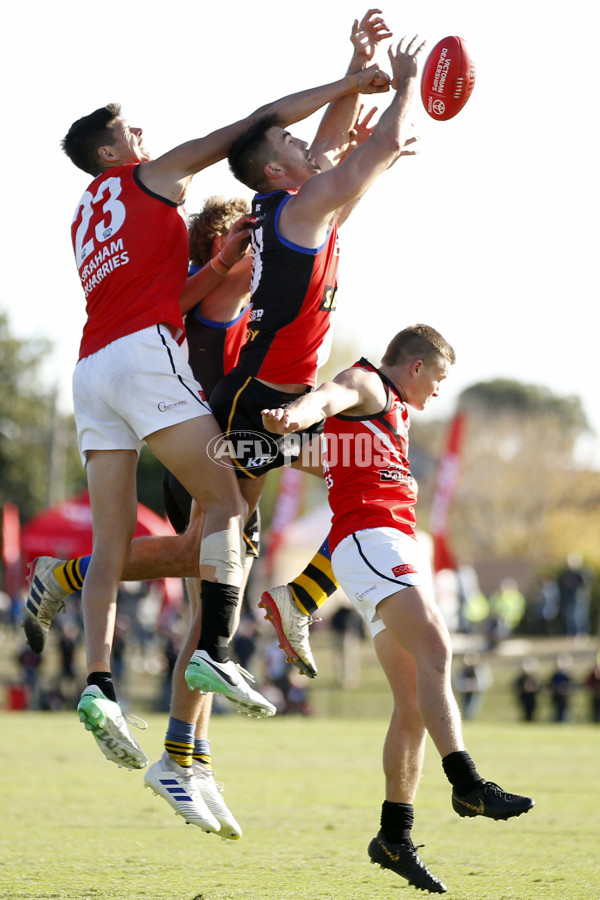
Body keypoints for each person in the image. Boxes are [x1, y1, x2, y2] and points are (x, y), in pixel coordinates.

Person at [25, 59, 390, 772]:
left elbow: (306, 179)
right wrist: (345, 85)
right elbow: (252, 127)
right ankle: (215, 673)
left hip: (90, 370)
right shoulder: (149, 177)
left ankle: (100, 685)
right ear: (110, 153)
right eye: (127, 127)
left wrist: (220, 265)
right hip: (159, 381)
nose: (141, 130)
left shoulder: (85, 213)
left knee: (130, 544)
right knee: (229, 515)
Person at [262, 324, 535, 894]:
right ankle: (467, 782)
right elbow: (331, 395)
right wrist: (297, 414)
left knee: (412, 704)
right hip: (371, 543)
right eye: (438, 378)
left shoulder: (393, 416)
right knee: (438, 646)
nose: (438, 391)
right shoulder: (367, 383)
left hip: (386, 546)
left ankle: (394, 836)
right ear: (414, 366)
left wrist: (289, 449)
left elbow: (325, 455)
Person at [203, 24, 422, 697]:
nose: (307, 144)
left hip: (283, 402)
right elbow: (374, 145)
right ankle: (211, 646)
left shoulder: (297, 203)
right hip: (263, 402)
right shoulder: (301, 212)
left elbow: (332, 147)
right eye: (291, 143)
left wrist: (358, 69)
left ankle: (287, 604)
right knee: (222, 536)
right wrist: (409, 80)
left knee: (376, 481)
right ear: (275, 170)